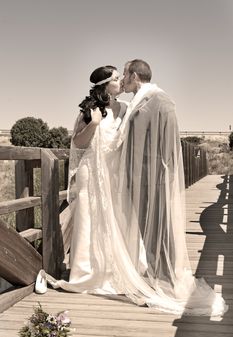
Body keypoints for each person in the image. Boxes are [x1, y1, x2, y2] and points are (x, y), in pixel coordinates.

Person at [36, 61, 228, 316]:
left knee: (114, 222)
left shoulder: (128, 108)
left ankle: (112, 271)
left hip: (114, 178)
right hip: (91, 174)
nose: (120, 80)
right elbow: (78, 144)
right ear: (106, 85)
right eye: (116, 77)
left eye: (122, 75)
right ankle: (86, 273)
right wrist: (93, 124)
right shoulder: (89, 110)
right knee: (90, 222)